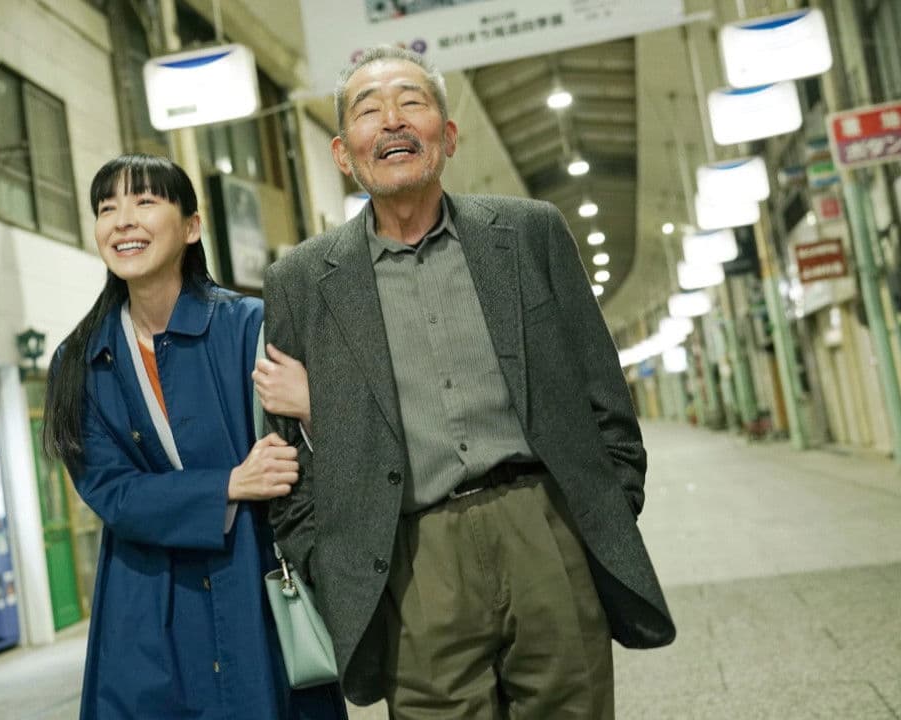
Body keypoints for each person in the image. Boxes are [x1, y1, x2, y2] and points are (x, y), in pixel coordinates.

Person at [256, 47, 676, 719]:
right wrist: (330, 560)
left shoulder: (529, 233)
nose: (392, 121)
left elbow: (602, 388)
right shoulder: (302, 281)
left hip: (544, 527)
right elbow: (284, 461)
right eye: (369, 110)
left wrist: (599, 511)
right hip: (410, 557)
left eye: (412, 102)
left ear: (448, 137)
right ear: (343, 153)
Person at [42, 153, 346, 720]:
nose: (123, 221)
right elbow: (111, 491)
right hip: (145, 603)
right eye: (107, 209)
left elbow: (306, 458)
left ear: (191, 226)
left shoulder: (251, 326)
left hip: (254, 584)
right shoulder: (80, 360)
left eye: (145, 202)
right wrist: (230, 484)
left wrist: (312, 408)